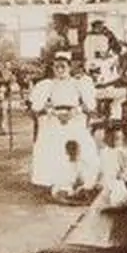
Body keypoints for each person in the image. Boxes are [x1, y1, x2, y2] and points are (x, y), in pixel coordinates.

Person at [29, 50, 99, 192]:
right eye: (57, 67)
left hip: (74, 116)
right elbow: (38, 106)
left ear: (69, 67)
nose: (60, 70)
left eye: (63, 66)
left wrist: (75, 111)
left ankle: (82, 177)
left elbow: (90, 105)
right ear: (53, 68)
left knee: (80, 140)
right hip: (55, 117)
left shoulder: (78, 83)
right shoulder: (48, 84)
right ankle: (54, 179)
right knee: (50, 138)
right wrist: (53, 112)